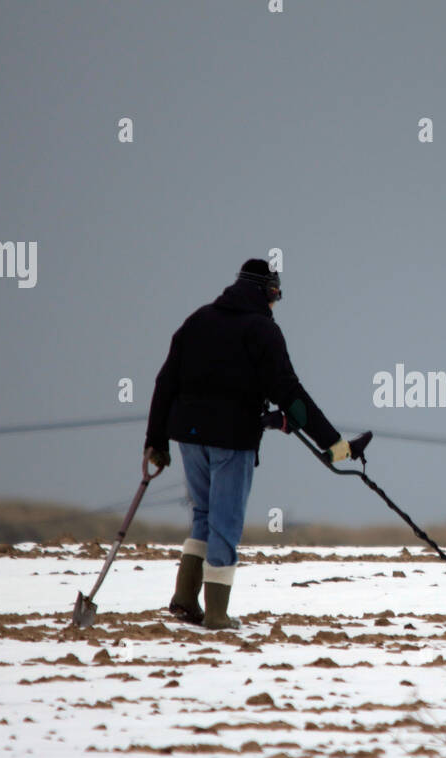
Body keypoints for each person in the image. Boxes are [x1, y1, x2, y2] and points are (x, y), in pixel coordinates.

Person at [143, 259, 351, 628]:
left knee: (204, 516)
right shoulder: (262, 330)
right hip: (232, 439)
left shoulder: (198, 320)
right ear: (266, 291)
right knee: (225, 521)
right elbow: (288, 392)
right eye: (276, 294)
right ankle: (218, 614)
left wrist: (155, 442)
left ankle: (185, 598)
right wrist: (332, 441)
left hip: (188, 438)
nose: (276, 302)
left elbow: (165, 384)